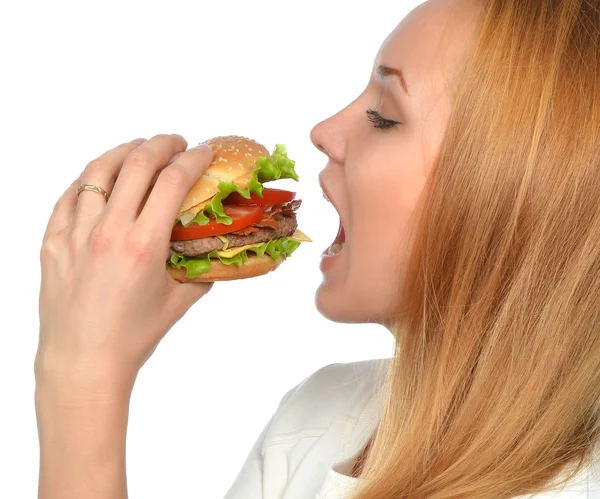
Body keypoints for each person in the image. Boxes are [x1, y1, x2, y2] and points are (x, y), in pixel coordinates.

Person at [35, 0, 600, 496]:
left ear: (513, 198)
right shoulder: (316, 414)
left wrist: (80, 377)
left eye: (384, 115)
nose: (323, 130)